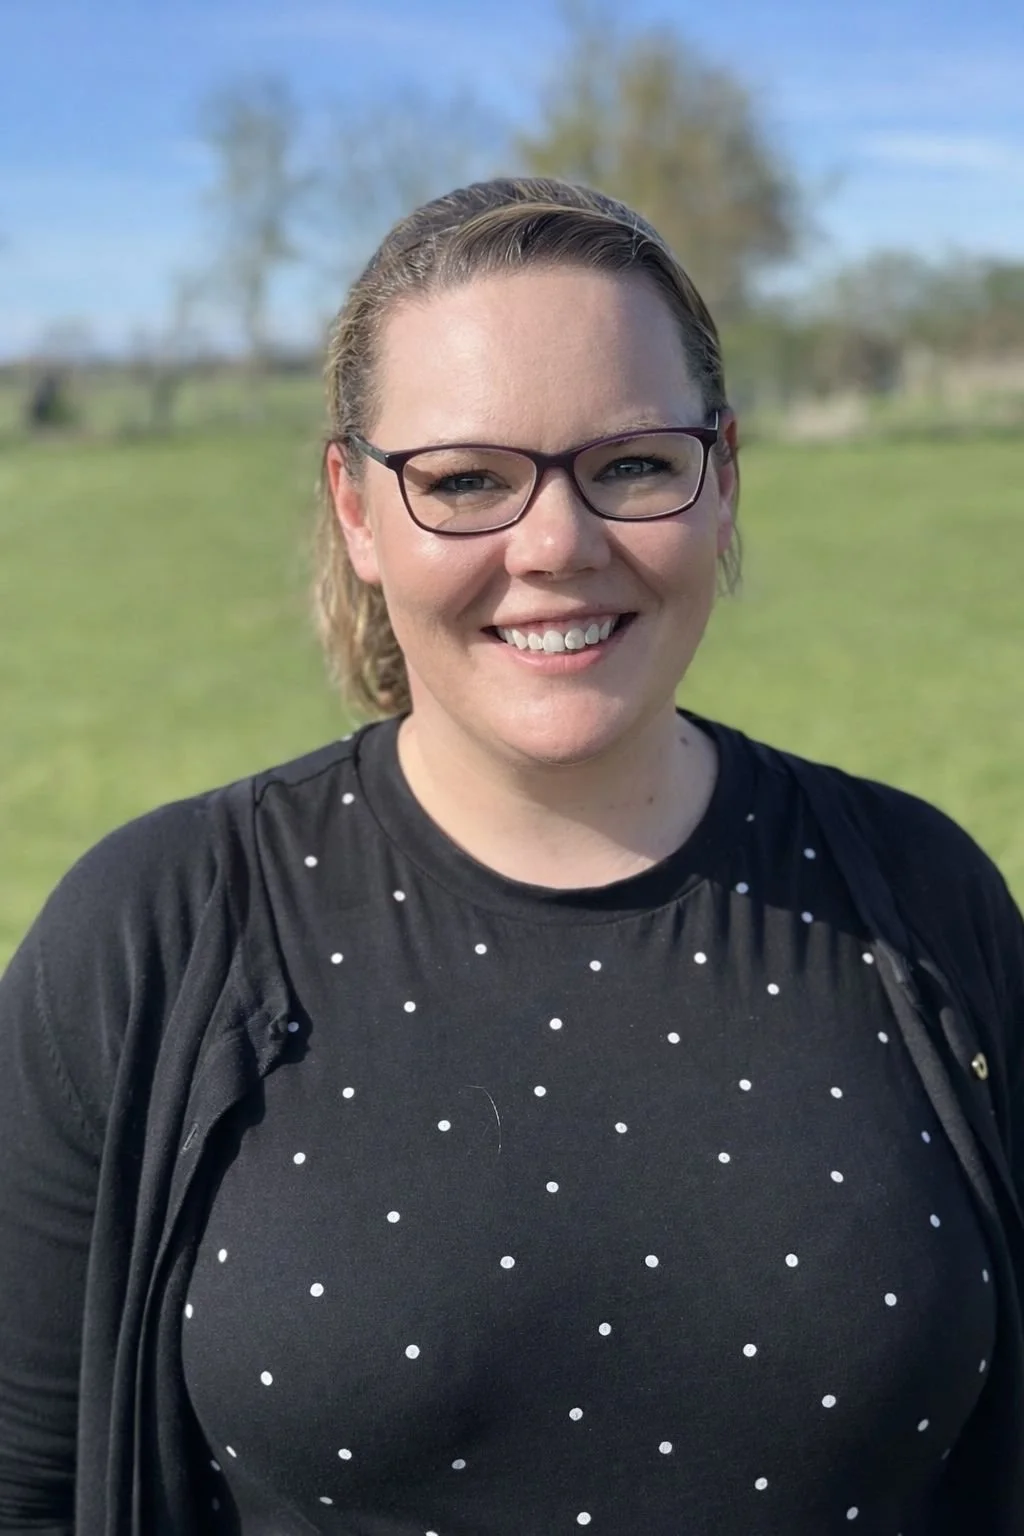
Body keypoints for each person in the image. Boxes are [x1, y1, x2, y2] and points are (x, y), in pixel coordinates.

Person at [1, 177, 1022, 1536]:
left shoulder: (925, 900)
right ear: (358, 512)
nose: (555, 544)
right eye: (467, 479)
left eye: (632, 464)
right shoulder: (152, 936)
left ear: (723, 479)